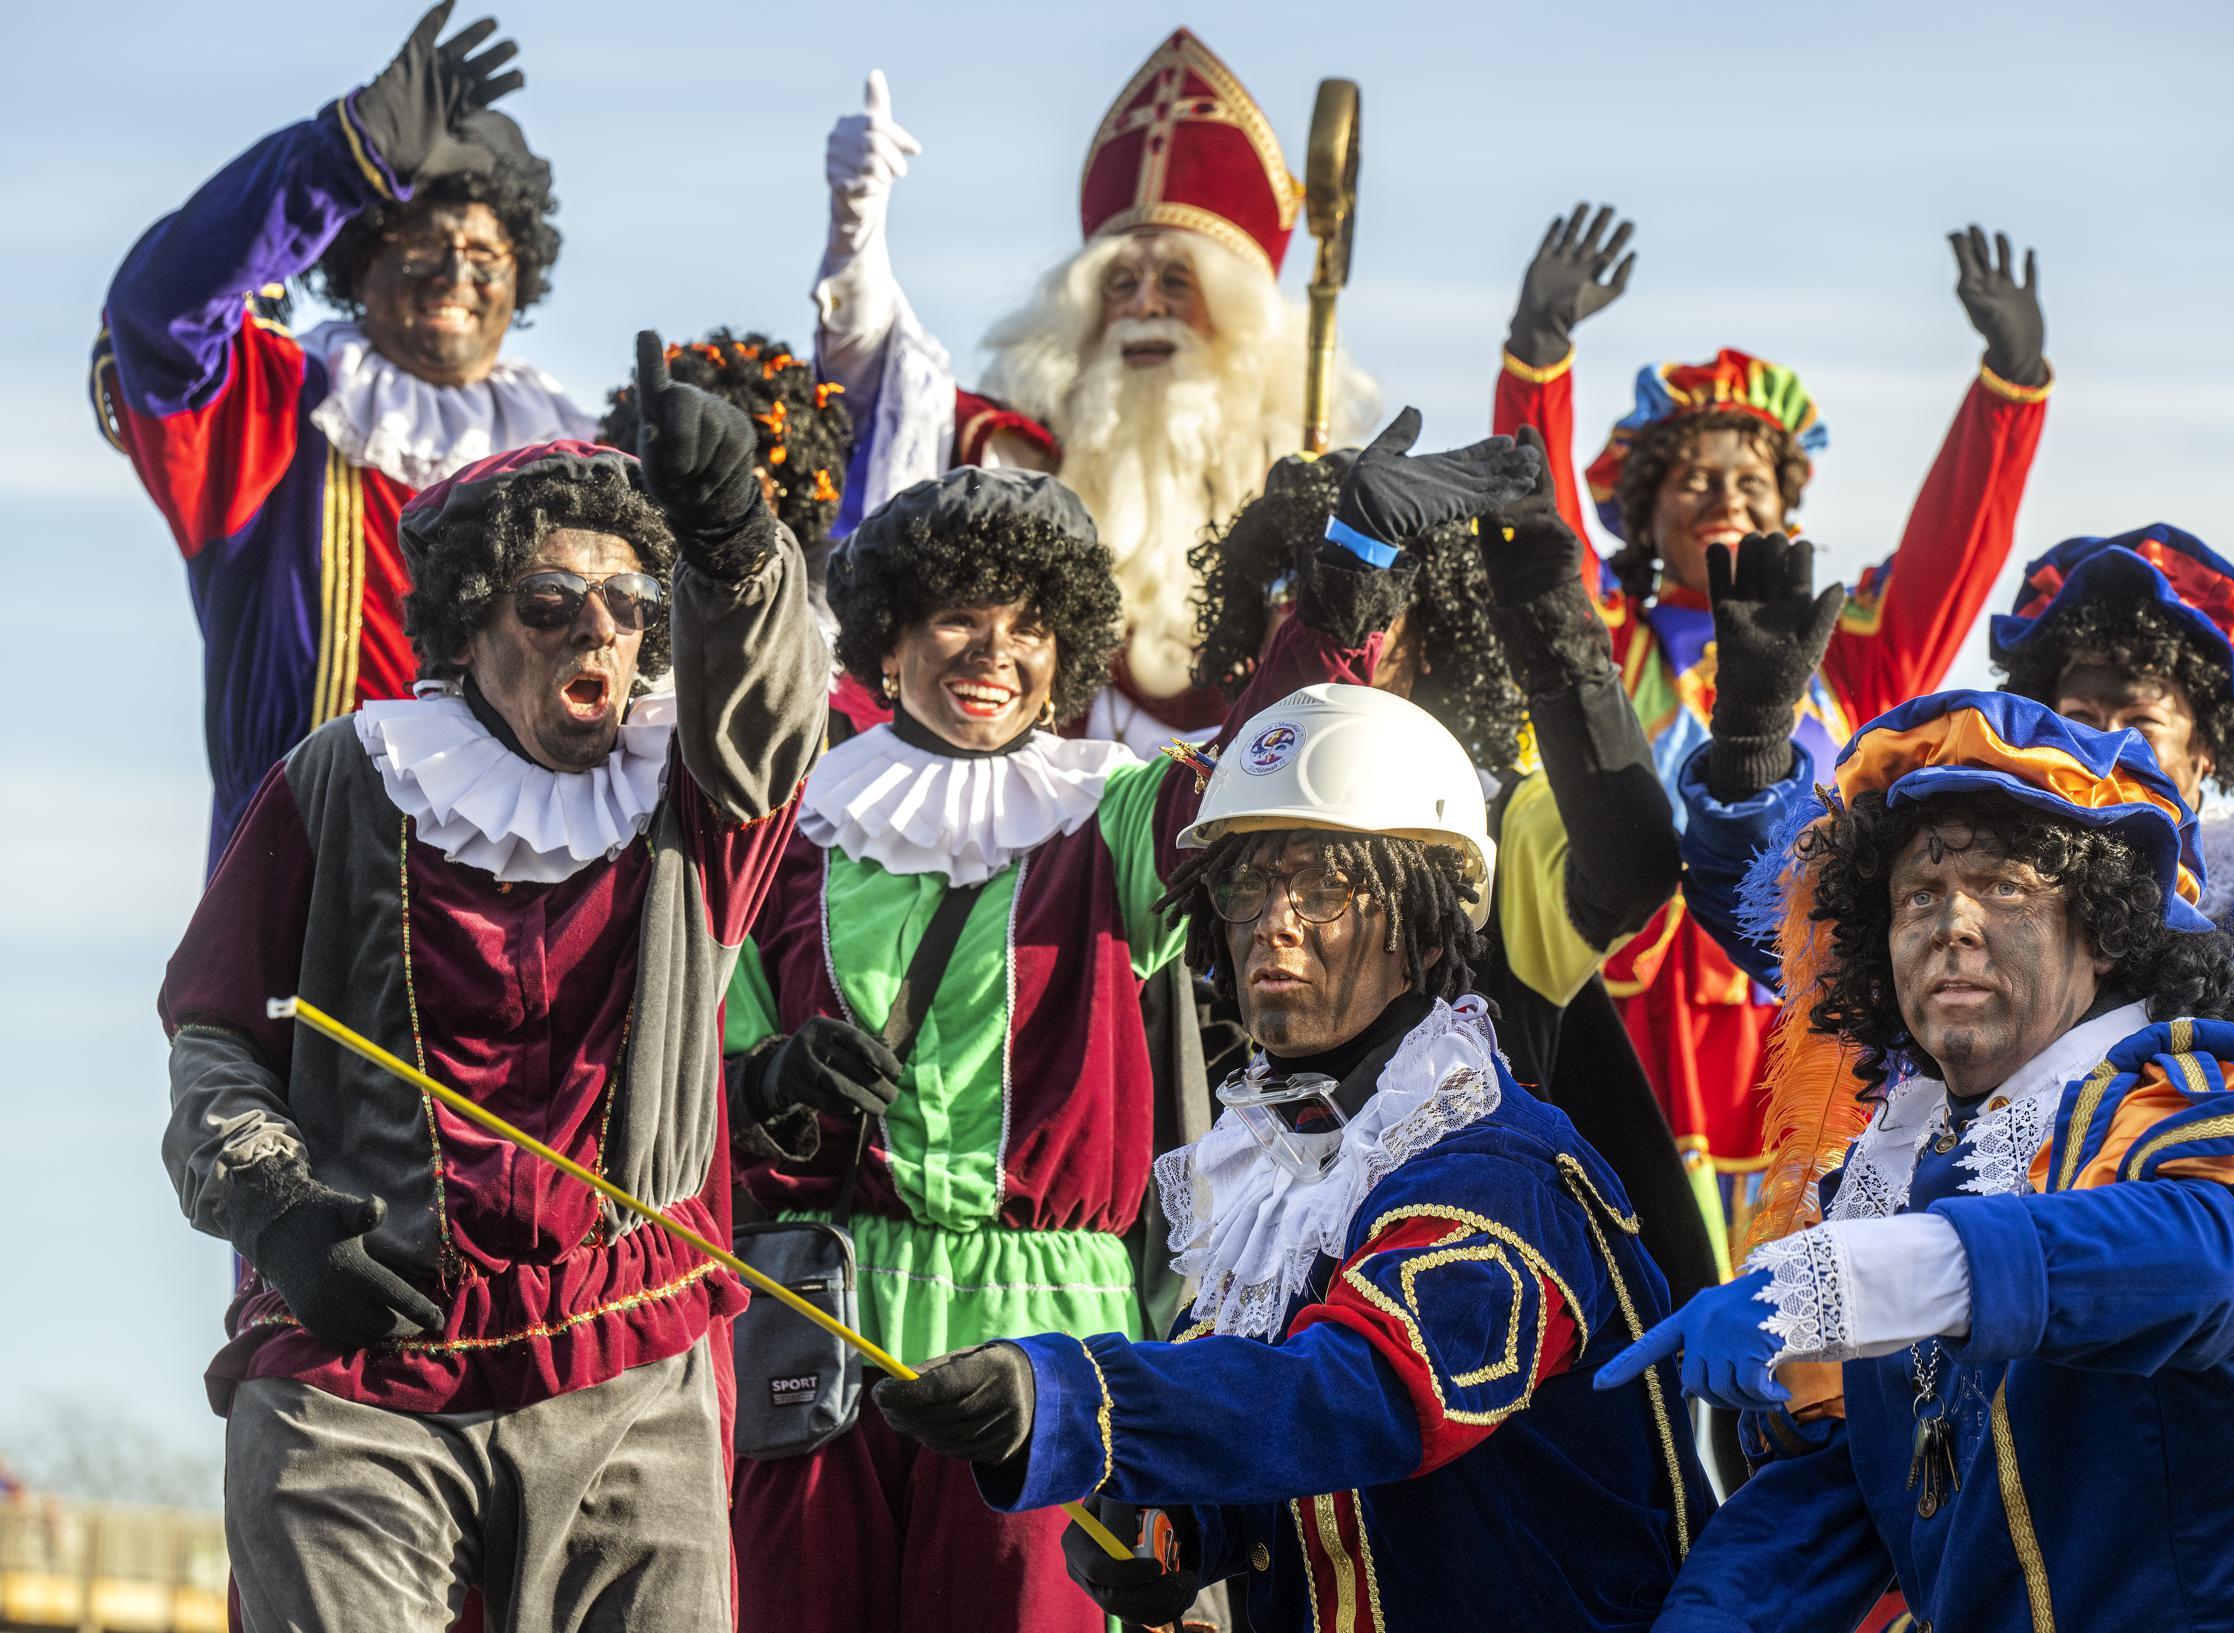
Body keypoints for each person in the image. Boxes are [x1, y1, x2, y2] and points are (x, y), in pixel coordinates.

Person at [720, 416, 1537, 1633]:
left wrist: (1346, 570)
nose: (993, 653)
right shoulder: (786, 826)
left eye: (1027, 626)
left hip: (1047, 1324)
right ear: (889, 634)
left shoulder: (1109, 812)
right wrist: (772, 1085)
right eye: (955, 615)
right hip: (819, 1317)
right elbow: (711, 1079)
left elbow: (1275, 757)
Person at [155, 335, 826, 1629]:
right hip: (364, 1371)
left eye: (633, 602)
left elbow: (770, 704)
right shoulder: (348, 777)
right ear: (471, 620)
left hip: (628, 1362)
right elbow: (215, 1032)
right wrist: (277, 1209)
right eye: (551, 600)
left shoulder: (690, 797)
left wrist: (734, 536)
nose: (602, 629)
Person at [871, 682, 1712, 1633]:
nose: (1272, 920)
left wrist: (1076, 1395)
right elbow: (1262, 1435)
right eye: (1245, 886)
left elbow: (1362, 1399)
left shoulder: (1495, 1170)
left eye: (1323, 887)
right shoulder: (1276, 1174)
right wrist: (1169, 1527)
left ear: (1428, 925)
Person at [1604, 688, 2234, 1632]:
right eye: (1918, 895)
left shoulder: (2189, 1090)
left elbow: (2215, 1254)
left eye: (2003, 886)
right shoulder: (1899, 1170)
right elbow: (1833, 1503)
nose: (1951, 923)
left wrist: (1858, 1276)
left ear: (2102, 930)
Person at [1492, 207, 2053, 1252]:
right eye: (1692, 478)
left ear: (1787, 511)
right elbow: (1536, 533)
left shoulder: (1849, 654)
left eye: (1749, 481)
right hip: (1624, 1003)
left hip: (1795, 1011)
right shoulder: (1611, 635)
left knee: (1796, 1322)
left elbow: (1954, 555)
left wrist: (2007, 387)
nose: (1722, 496)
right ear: (1645, 513)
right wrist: (1538, 360)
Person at [1680, 529, 2234, 1131]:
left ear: (2208, 747)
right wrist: (1751, 740)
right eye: (2080, 719)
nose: (2111, 745)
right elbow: (1784, 921)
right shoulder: (1965, 877)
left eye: (2143, 721)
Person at [1188, 437, 1720, 1305]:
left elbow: (1628, 864)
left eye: (1372, 604)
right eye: (1293, 599)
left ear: (1431, 632)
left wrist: (1546, 605)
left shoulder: (1494, 821)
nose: (1317, 620)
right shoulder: (1219, 830)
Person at [96, 3, 599, 868]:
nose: (454, 274)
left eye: (486, 256)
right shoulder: (276, 408)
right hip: (308, 914)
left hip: (528, 921)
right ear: (361, 259)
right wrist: (343, 157)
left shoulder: (583, 456)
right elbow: (159, 308)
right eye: (422, 242)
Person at [809, 31, 1376, 751]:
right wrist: (854, 240)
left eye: (1175, 282)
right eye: (1119, 283)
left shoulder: (1299, 474)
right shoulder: (1016, 453)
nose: (1143, 305)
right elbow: (883, 389)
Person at [598, 329, 855, 586]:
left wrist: (732, 546)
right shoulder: (624, 594)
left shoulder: (830, 579)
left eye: (750, 486)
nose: (715, 501)